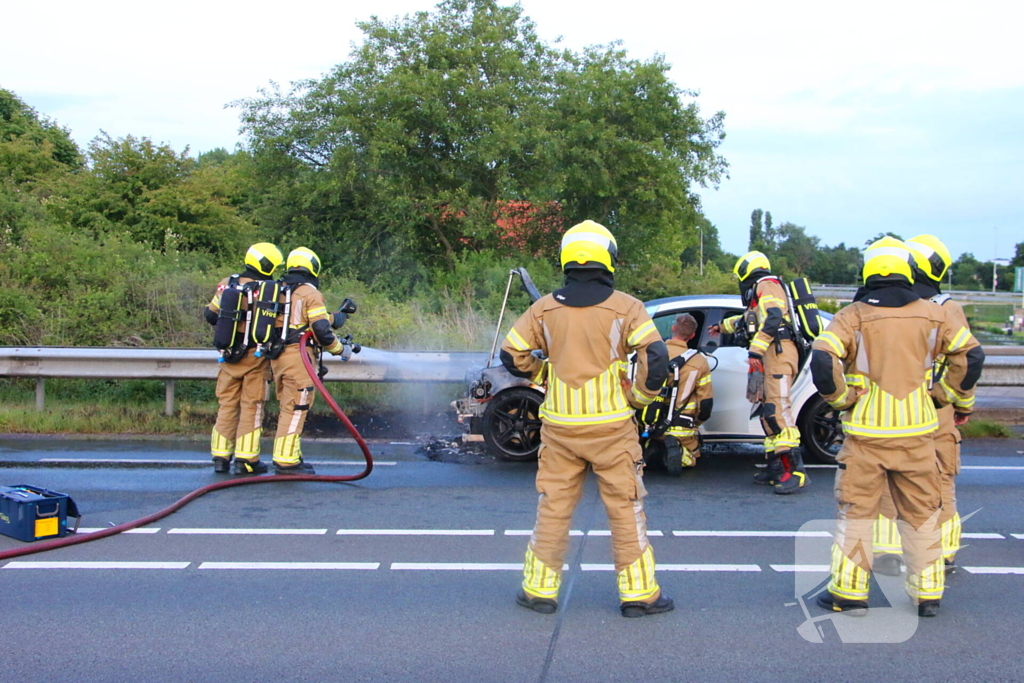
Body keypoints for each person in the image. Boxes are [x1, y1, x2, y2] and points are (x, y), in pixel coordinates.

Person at [500, 220, 673, 618]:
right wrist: (639, 397)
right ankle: (639, 595)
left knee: (554, 508)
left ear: (567, 258)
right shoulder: (627, 307)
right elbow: (656, 357)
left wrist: (544, 372)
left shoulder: (543, 308)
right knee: (625, 508)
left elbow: (512, 354)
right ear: (607, 258)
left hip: (560, 429)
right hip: (612, 428)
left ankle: (538, 591)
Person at [811, 237, 983, 618]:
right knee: (922, 515)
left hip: (866, 438)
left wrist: (842, 399)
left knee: (857, 515)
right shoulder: (934, 314)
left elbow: (822, 360)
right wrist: (943, 396)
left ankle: (849, 593)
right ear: (908, 270)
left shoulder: (851, 316)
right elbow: (972, 356)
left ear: (868, 272)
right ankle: (928, 595)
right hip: (917, 437)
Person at [872, 235, 976, 575]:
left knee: (889, 477)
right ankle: (941, 554)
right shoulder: (946, 308)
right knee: (939, 480)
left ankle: (888, 551)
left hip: (892, 406)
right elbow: (967, 361)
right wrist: (960, 402)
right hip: (935, 407)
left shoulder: (888, 305)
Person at [708, 252, 807, 494]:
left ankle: (795, 472)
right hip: (771, 356)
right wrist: (721, 327)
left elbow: (773, 317)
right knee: (767, 414)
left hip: (778, 354)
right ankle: (776, 467)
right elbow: (749, 319)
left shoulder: (767, 284)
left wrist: (757, 348)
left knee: (777, 411)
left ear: (746, 270)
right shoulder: (759, 291)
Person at [269, 247, 354, 475]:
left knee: (289, 406)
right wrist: (340, 349)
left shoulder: (278, 289)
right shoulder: (309, 293)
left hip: (278, 358)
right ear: (312, 267)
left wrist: (335, 317)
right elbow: (321, 330)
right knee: (297, 407)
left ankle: (292, 455)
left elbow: (300, 320)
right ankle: (286, 462)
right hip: (298, 359)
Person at [204, 242, 283, 475]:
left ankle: (220, 458)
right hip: (255, 359)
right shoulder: (268, 290)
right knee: (252, 407)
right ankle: (246, 460)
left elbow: (210, 315)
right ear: (268, 265)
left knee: (227, 406)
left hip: (228, 357)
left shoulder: (227, 283)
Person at [643, 313, 714, 474]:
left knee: (645, 442)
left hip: (648, 422)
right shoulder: (699, 362)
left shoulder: (652, 354)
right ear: (693, 336)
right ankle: (681, 452)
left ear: (673, 328)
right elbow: (706, 404)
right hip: (681, 426)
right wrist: (696, 423)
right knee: (693, 455)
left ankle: (651, 446)